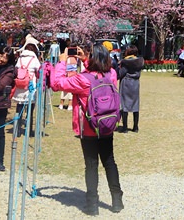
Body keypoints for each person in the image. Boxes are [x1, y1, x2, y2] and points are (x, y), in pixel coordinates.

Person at [51, 44, 123, 216]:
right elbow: (102, 69)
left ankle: (92, 205)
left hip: (88, 127)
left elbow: (55, 84)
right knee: (109, 162)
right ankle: (117, 201)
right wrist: (85, 59)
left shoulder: (82, 79)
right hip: (106, 125)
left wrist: (62, 63)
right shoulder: (111, 75)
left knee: (91, 165)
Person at [13, 34, 42, 137]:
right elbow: (39, 71)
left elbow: (16, 69)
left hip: (20, 85)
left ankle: (16, 130)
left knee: (19, 108)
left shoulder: (20, 58)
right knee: (30, 110)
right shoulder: (34, 59)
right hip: (30, 86)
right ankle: (29, 130)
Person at [116, 45, 144, 134]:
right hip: (135, 84)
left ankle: (125, 127)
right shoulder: (139, 61)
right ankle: (135, 127)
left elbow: (121, 73)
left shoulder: (125, 62)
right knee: (135, 105)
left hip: (126, 83)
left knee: (125, 105)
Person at [59, 40, 81, 111]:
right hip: (72, 73)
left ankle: (62, 104)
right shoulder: (75, 56)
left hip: (67, 72)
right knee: (71, 89)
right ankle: (69, 105)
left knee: (65, 89)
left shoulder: (68, 56)